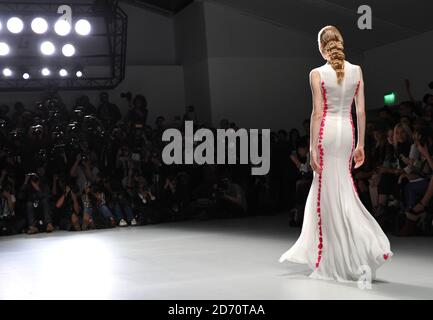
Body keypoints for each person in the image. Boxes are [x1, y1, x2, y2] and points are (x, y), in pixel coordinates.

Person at [279, 26, 392, 283]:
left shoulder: (317, 74)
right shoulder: (356, 71)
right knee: (339, 190)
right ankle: (359, 248)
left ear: (321, 46)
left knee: (327, 194)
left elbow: (317, 113)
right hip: (347, 133)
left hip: (327, 134)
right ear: (340, 43)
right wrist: (360, 144)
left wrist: (311, 148)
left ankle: (338, 256)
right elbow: (361, 111)